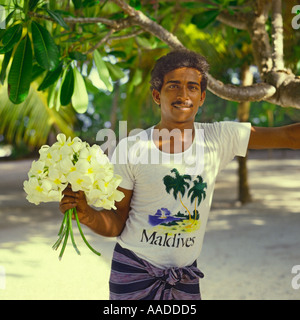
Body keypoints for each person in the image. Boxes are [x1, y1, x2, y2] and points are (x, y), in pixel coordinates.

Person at [60, 49, 300, 300]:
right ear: (157, 95)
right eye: (173, 86)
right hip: (133, 272)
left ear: (202, 97)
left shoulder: (218, 138)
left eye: (192, 87)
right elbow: (118, 221)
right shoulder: (132, 148)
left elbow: (289, 137)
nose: (183, 95)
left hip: (185, 276)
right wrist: (87, 214)